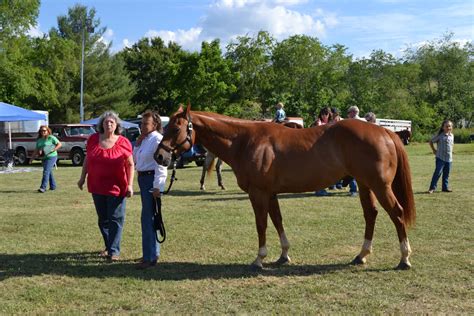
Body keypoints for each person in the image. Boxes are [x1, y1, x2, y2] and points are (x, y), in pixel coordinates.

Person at [77, 111, 134, 262]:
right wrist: (82, 178)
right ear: (101, 124)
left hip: (117, 187)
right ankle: (109, 246)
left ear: (117, 126)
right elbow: (87, 160)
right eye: (106, 122)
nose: (109, 124)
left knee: (115, 218)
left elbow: (130, 164)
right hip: (97, 186)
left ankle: (114, 251)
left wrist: (130, 185)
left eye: (112, 122)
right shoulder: (93, 139)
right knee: (103, 219)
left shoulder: (123, 142)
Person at [133, 110, 168, 269]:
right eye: (142, 123)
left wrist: (158, 187)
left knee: (149, 218)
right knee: (146, 217)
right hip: (143, 178)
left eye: (145, 124)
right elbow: (136, 160)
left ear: (155, 125)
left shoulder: (157, 140)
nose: (142, 126)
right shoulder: (145, 139)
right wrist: (138, 144)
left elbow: (161, 165)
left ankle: (151, 257)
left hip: (150, 179)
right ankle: (149, 253)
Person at [31, 125, 62, 193]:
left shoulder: (51, 138)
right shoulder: (39, 140)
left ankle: (43, 187)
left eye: (44, 130)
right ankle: (53, 186)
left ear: (48, 131)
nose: (43, 132)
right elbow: (36, 150)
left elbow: (59, 144)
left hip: (52, 156)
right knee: (49, 171)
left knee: (46, 171)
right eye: (41, 130)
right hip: (44, 157)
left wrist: (54, 149)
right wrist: (32, 158)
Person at [428, 120, 454, 194]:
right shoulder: (440, 135)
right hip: (440, 158)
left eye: (450, 126)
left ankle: (445, 188)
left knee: (446, 174)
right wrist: (434, 150)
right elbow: (431, 141)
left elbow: (451, 145)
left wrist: (451, 152)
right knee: (438, 173)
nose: (448, 127)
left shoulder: (452, 136)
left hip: (449, 159)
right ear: (443, 127)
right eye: (447, 126)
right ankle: (432, 188)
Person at [313, 107, 332, 196]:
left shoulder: (330, 123)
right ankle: (319, 189)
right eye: (322, 114)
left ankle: (322, 188)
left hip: (326, 150)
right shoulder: (318, 123)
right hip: (318, 149)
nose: (324, 116)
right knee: (319, 170)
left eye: (326, 114)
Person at [346, 106, 363, 196]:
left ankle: (353, 189)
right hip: (360, 150)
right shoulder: (363, 121)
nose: (348, 114)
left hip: (355, 150)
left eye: (349, 112)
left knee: (353, 171)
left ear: (353, 112)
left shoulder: (353, 122)